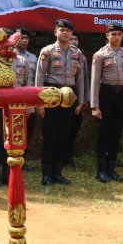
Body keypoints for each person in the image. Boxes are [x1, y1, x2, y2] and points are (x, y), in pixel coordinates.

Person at [34, 19, 86, 186]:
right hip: (51, 94)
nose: (65, 33)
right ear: (55, 32)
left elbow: (80, 79)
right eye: (62, 30)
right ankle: (46, 174)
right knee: (50, 135)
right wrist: (39, 102)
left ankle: (58, 172)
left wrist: (81, 101)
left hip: (69, 96)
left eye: (68, 31)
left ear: (72, 34)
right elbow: (39, 77)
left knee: (64, 134)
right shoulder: (47, 51)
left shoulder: (77, 53)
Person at [0, 30, 30, 187]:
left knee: (15, 141)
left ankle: (9, 174)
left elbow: (27, 85)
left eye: (8, 39)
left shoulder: (22, 60)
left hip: (16, 108)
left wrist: (29, 109)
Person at [91, 23, 123, 183]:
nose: (116, 37)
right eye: (113, 34)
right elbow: (95, 82)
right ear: (107, 35)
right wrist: (95, 106)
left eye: (119, 34)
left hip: (121, 94)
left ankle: (112, 168)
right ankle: (101, 170)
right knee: (104, 133)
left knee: (116, 133)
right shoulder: (100, 54)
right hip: (106, 94)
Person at [63, 33, 89, 169]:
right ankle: (59, 157)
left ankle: (68, 156)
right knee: (60, 129)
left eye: (75, 39)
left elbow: (84, 80)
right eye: (71, 38)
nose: (73, 41)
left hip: (76, 99)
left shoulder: (81, 58)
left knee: (73, 129)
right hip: (61, 96)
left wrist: (83, 100)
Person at [16, 28, 39, 170]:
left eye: (26, 38)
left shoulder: (33, 58)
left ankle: (22, 160)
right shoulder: (9, 56)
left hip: (29, 98)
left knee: (27, 131)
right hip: (14, 97)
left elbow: (36, 79)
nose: (24, 40)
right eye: (21, 37)